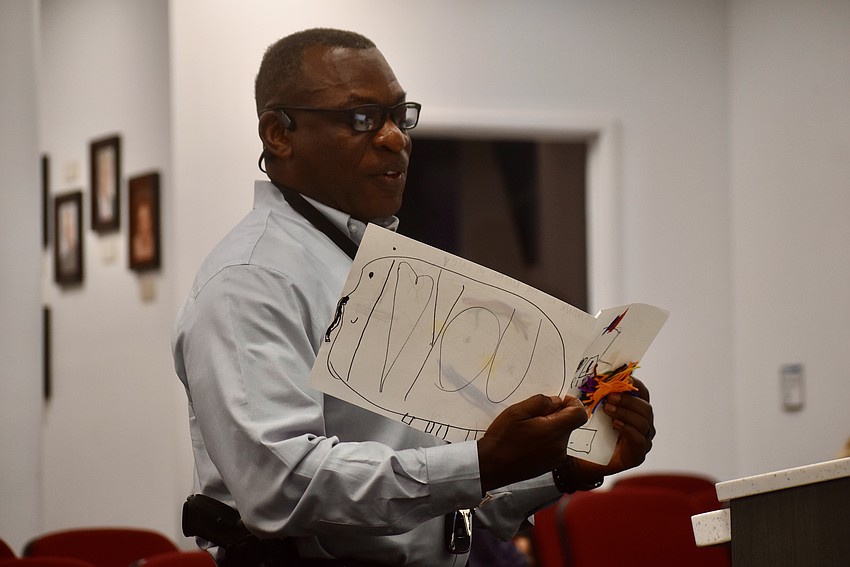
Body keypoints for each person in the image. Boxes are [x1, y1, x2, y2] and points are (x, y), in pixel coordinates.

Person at [172, 28, 656, 567]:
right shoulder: (251, 278)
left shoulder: (380, 264)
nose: (393, 138)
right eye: (361, 118)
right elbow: (279, 486)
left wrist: (565, 468)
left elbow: (445, 506)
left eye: (400, 116)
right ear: (278, 134)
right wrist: (477, 464)